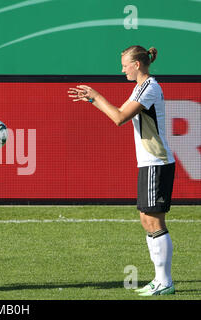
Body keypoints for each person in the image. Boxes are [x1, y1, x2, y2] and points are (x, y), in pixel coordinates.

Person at [68, 46, 175, 296]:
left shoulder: (149, 88)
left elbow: (119, 118)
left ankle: (165, 281)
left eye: (125, 64)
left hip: (156, 163)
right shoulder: (141, 87)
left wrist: (95, 95)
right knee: (147, 219)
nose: (122, 69)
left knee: (154, 220)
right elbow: (117, 114)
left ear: (137, 64)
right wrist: (93, 100)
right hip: (149, 163)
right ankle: (160, 280)